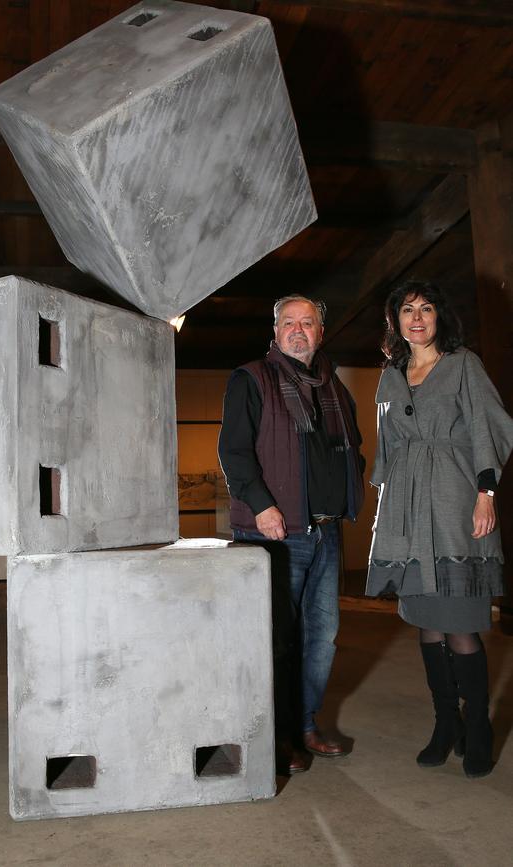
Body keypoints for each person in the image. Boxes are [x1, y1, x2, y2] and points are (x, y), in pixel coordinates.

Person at [366, 280, 513, 779]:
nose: (417, 317)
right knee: (428, 622)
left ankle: (479, 729)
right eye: (407, 309)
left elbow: (488, 426)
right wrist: (382, 505)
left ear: (438, 317)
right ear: (396, 320)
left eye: (426, 308)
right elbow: (386, 449)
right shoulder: (390, 375)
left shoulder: (463, 364)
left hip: (454, 499)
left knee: (462, 623)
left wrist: (486, 494)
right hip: (406, 510)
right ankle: (445, 723)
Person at [218, 294, 365, 774]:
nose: (298, 330)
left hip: (325, 530)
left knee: (322, 638)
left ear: (321, 332)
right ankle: (274, 737)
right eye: (289, 322)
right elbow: (235, 453)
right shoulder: (251, 379)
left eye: (308, 323)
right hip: (275, 533)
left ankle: (303, 724)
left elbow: (351, 451)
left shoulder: (335, 389)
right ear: (275, 330)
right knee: (275, 638)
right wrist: (262, 506)